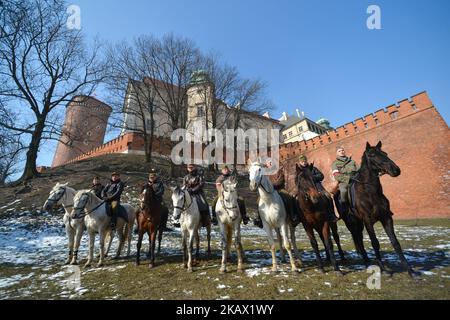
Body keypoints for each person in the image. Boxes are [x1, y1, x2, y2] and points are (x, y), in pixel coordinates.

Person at [254, 160, 301, 228]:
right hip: (267, 191)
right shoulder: (264, 172)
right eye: (268, 163)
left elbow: (280, 181)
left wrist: (271, 186)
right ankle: (259, 218)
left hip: (279, 189)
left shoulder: (279, 171)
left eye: (270, 163)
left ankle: (293, 215)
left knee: (289, 197)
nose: (269, 165)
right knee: (258, 200)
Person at [298, 155, 339, 222]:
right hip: (305, 189)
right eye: (302, 161)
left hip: (317, 187)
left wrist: (312, 177)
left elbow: (321, 176)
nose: (304, 162)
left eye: (305, 161)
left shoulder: (313, 168)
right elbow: (297, 180)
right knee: (296, 198)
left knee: (327, 196)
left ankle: (331, 214)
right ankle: (298, 216)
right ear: (300, 162)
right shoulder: (299, 171)